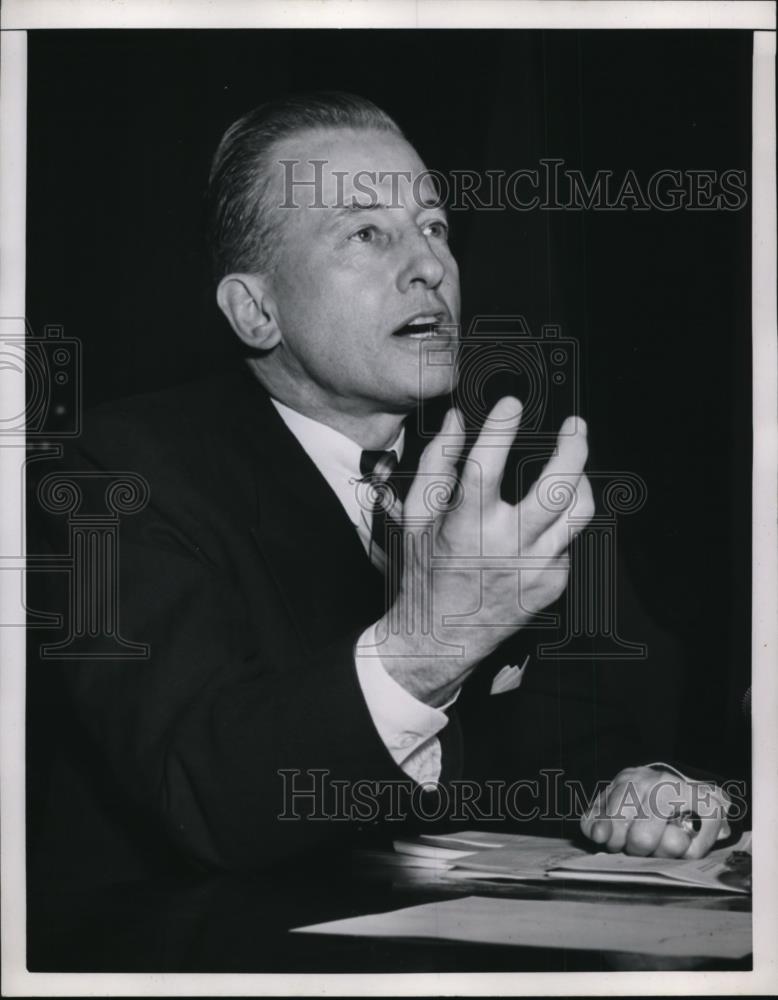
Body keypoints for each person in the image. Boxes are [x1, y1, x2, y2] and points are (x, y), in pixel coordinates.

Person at [27, 92, 732, 887]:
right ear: (257, 310)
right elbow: (201, 785)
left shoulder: (496, 487)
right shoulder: (112, 477)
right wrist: (431, 645)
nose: (431, 264)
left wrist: (643, 791)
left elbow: (571, 756)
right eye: (367, 233)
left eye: (434, 226)